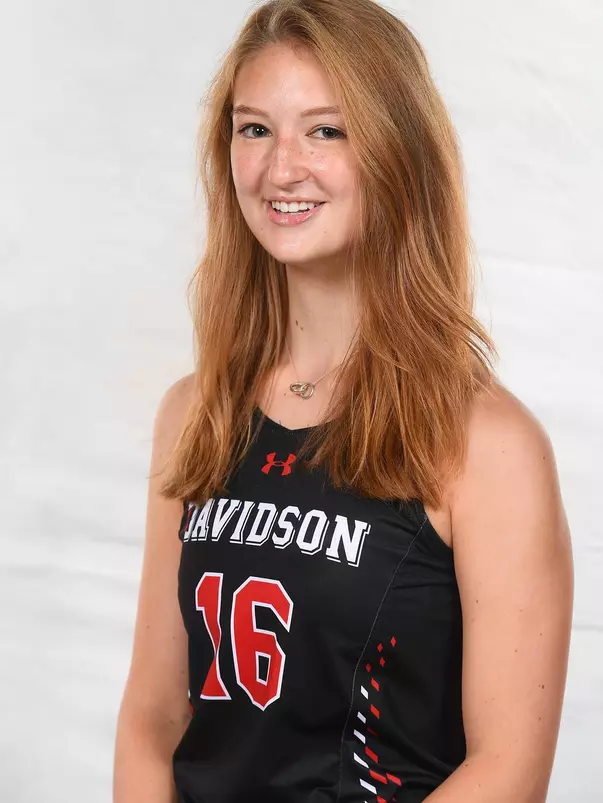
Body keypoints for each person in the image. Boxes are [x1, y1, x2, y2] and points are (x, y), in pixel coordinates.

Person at [113, 1, 574, 801]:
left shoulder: (485, 443)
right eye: (253, 129)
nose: (279, 167)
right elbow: (153, 716)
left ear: (397, 151)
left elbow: (509, 770)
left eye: (325, 131)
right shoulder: (196, 414)